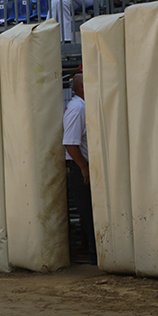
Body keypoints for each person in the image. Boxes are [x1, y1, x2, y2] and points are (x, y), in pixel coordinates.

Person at [63, 73, 95, 264]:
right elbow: (70, 143)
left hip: (82, 166)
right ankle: (95, 256)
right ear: (81, 87)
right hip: (80, 168)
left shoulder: (80, 107)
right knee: (88, 213)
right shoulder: (78, 109)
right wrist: (83, 166)